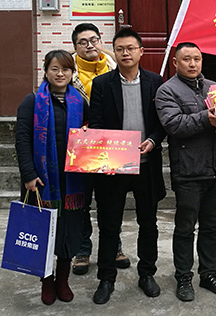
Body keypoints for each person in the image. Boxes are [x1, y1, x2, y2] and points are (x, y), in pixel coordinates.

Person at [87, 28, 167, 304]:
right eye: (120, 49)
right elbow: (96, 123)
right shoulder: (102, 84)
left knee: (149, 223)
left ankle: (147, 274)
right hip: (114, 167)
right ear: (114, 52)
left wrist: (153, 141)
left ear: (141, 51)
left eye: (131, 48)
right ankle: (106, 278)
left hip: (147, 165)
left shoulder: (155, 82)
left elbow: (162, 122)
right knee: (109, 225)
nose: (125, 53)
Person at [155, 42, 216, 302]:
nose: (192, 64)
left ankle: (209, 274)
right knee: (185, 228)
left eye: (197, 59)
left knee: (211, 226)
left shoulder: (215, 88)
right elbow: (174, 125)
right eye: (186, 59)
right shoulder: (167, 90)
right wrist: (207, 118)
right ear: (175, 63)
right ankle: (184, 277)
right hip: (188, 171)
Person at [14, 49, 87, 305]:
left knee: (68, 232)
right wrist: (29, 175)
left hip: (72, 181)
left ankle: (63, 279)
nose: (60, 74)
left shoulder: (79, 101)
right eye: (54, 69)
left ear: (72, 72)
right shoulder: (32, 101)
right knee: (43, 232)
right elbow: (22, 140)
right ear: (45, 71)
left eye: (65, 69)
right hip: (42, 182)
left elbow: (91, 135)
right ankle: (46, 279)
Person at [68, 23, 129, 277]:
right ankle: (82, 250)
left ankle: (114, 247)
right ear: (75, 47)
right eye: (83, 42)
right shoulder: (67, 70)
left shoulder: (117, 67)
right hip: (79, 146)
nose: (90, 45)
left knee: (110, 201)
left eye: (94, 40)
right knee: (81, 202)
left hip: (111, 145)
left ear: (101, 41)